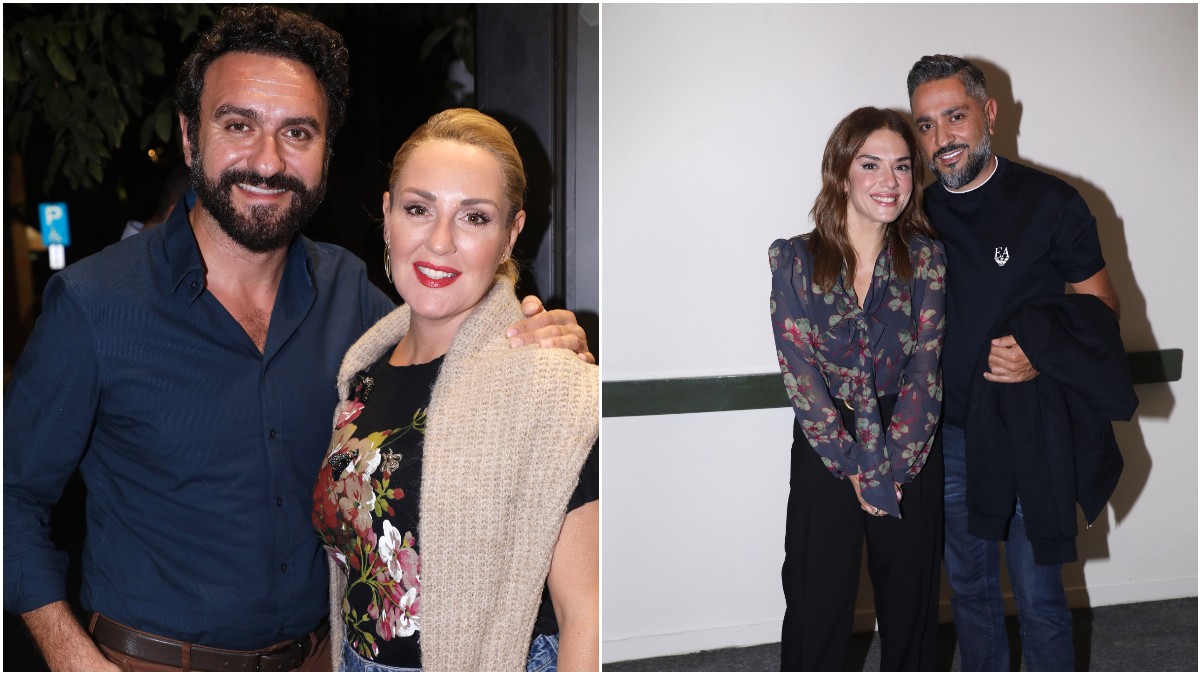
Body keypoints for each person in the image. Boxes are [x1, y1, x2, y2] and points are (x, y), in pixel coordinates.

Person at [3, 7, 591, 672]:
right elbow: (10, 495)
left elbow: (456, 354)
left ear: (324, 152)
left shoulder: (356, 301)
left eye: (297, 132)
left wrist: (537, 337)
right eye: (238, 125)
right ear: (191, 138)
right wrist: (72, 658)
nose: (267, 159)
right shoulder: (94, 305)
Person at [312, 108, 599, 672]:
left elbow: (586, 611)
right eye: (419, 209)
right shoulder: (362, 373)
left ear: (510, 234)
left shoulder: (551, 384)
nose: (440, 241)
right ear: (388, 216)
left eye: (474, 217)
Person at [907, 54, 1124, 671]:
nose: (942, 137)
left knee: (1039, 596)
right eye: (926, 125)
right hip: (950, 435)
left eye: (955, 116)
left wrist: (1039, 350)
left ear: (990, 113)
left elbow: (1103, 307)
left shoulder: (1052, 202)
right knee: (970, 593)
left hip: (1031, 428)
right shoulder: (915, 215)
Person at [769, 106, 947, 671]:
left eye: (902, 166)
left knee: (910, 601)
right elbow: (799, 371)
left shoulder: (926, 259)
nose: (889, 181)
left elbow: (925, 367)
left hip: (909, 441)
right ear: (842, 173)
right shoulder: (796, 260)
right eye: (871, 164)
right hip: (828, 441)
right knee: (816, 600)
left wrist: (892, 465)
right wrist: (853, 466)